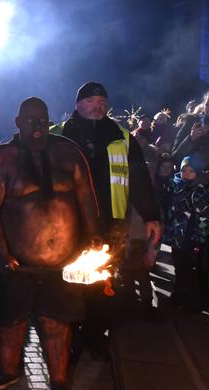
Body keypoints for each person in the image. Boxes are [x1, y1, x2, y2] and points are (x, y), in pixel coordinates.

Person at [0, 97, 100, 390]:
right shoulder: (1, 160)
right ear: (18, 122)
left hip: (63, 263)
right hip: (17, 263)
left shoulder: (69, 153)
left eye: (42, 120)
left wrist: (96, 238)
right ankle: (8, 371)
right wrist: (2, 253)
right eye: (30, 120)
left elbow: (87, 199)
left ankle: (58, 380)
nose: (37, 126)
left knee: (56, 321)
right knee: (11, 321)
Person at [51, 82, 161, 359]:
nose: (98, 104)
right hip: (69, 223)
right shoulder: (60, 134)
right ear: (77, 105)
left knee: (103, 281)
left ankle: (96, 335)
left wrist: (151, 216)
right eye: (90, 100)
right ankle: (71, 337)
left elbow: (139, 180)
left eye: (102, 100)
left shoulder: (122, 137)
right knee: (69, 281)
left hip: (110, 223)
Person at [163, 156, 209, 312]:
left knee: (189, 270)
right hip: (176, 235)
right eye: (183, 170)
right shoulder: (177, 185)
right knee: (179, 267)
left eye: (191, 171)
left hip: (189, 237)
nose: (186, 174)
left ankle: (193, 301)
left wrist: (199, 239)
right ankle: (178, 295)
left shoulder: (200, 191)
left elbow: (204, 218)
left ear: (198, 172)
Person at [173, 87, 209, 179]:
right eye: (208, 104)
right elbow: (175, 156)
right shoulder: (192, 122)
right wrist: (191, 139)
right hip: (188, 182)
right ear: (203, 105)